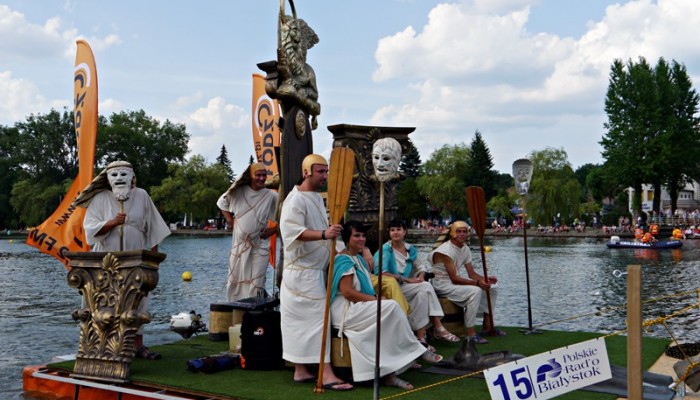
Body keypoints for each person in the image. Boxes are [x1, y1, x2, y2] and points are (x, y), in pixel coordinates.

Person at [74, 160, 171, 359]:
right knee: (104, 301)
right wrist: (111, 223)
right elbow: (89, 231)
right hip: (105, 258)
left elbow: (153, 228)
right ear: (108, 178)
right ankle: (102, 346)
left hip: (136, 256)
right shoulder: (99, 198)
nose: (119, 178)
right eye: (115, 175)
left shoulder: (142, 195)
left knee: (138, 299)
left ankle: (137, 346)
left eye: (123, 174)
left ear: (132, 177)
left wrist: (153, 261)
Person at [278, 154, 352, 391]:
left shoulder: (317, 198)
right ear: (307, 171)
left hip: (313, 272)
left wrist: (340, 250)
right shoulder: (294, 200)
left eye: (326, 171)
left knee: (305, 323)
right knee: (317, 322)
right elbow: (292, 232)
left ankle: (301, 371)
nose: (325, 176)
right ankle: (326, 372)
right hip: (301, 274)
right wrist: (323, 235)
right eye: (320, 172)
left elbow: (325, 229)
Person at [330, 221, 433, 389]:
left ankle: (391, 373)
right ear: (347, 238)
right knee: (391, 306)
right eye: (357, 235)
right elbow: (347, 292)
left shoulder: (358, 259)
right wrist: (376, 300)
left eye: (363, 235)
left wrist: (377, 297)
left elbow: (365, 288)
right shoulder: (343, 260)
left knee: (390, 311)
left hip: (358, 306)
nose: (362, 239)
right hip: (346, 310)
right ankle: (417, 349)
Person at [374, 218, 460, 347]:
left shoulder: (409, 249)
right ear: (389, 233)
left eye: (398, 229)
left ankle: (421, 338)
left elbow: (421, 266)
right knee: (425, 287)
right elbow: (381, 273)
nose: (395, 232)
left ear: (405, 232)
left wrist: (421, 274)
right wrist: (406, 279)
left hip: (405, 287)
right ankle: (438, 327)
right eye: (392, 230)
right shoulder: (385, 250)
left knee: (423, 294)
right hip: (392, 288)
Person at [430, 221, 503, 344]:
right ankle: (470, 332)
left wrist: (485, 279)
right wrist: (478, 284)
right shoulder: (445, 251)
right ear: (453, 233)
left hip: (453, 282)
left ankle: (487, 325)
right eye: (459, 231)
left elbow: (472, 274)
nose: (462, 234)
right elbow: (454, 278)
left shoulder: (465, 248)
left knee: (493, 287)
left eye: (465, 231)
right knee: (475, 290)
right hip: (442, 284)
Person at [216, 163, 277, 301]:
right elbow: (221, 202)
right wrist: (230, 220)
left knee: (257, 282)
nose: (261, 178)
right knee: (235, 280)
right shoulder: (238, 191)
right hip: (239, 244)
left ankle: (254, 313)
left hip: (260, 245)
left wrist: (272, 231)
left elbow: (285, 218)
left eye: (264, 175)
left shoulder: (270, 196)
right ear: (250, 176)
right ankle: (235, 311)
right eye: (258, 175)